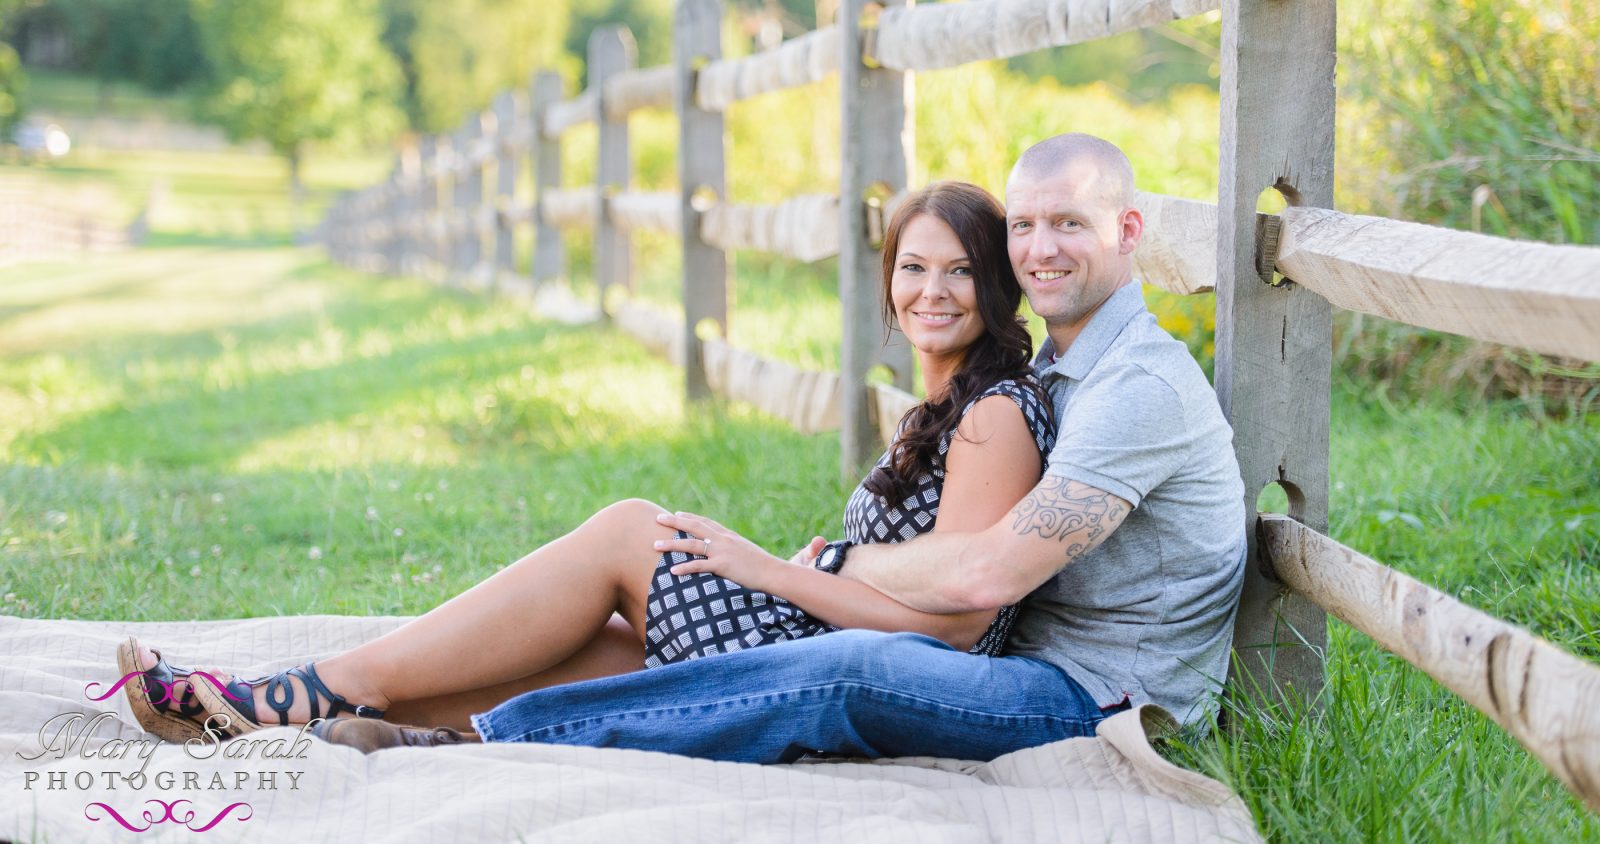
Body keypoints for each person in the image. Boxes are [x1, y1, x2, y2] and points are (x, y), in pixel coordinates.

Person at [317, 132, 1247, 762]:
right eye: (1026, 227)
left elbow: (977, 583)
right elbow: (964, 564)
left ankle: (480, 730)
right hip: (1026, 663)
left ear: (1128, 232)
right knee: (641, 609)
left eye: (1071, 224)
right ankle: (365, 708)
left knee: (843, 668)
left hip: (1101, 700)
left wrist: (823, 562)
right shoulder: (1062, 369)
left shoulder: (1139, 388)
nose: (1041, 249)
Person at [118, 181, 1057, 746]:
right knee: (579, 650)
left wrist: (777, 574)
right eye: (913, 268)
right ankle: (299, 719)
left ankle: (296, 692)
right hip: (824, 634)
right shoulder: (943, 406)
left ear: (997, 287)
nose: (932, 291)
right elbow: (911, 576)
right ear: (888, 284)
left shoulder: (995, 416)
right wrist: (817, 569)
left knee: (627, 532)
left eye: (961, 271)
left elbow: (958, 630)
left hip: (848, 674)